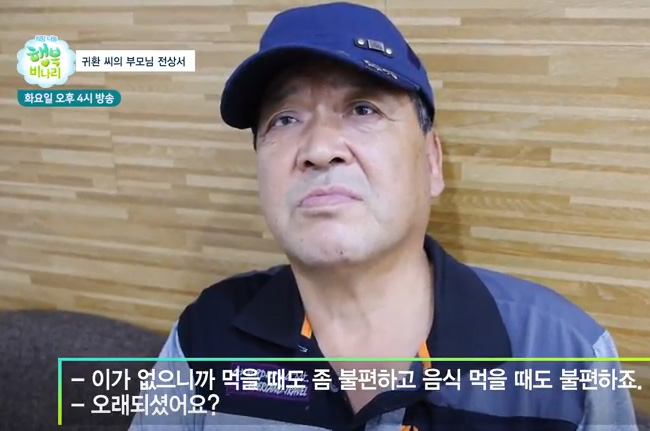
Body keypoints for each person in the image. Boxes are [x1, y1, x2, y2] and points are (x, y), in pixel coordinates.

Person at [128, 2, 640, 430]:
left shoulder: (562, 354)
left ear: (432, 162)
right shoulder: (205, 337)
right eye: (285, 119)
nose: (320, 149)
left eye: (363, 109)